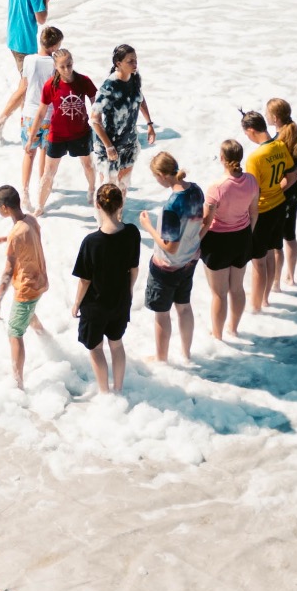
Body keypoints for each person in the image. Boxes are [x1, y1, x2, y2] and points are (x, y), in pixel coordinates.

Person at [72, 182, 140, 397]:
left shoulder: (92, 242)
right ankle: (118, 390)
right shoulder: (132, 233)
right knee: (117, 345)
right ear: (121, 204)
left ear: (97, 205)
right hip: (120, 301)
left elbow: (85, 280)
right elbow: (134, 269)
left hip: (95, 306)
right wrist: (128, 292)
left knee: (96, 348)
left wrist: (76, 304)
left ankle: (104, 392)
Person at [139, 151, 203, 365]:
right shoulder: (195, 190)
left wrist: (148, 227)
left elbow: (170, 247)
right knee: (184, 307)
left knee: (162, 314)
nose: (156, 181)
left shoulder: (172, 207)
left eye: (155, 177)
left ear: (162, 175)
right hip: (190, 259)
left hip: (167, 266)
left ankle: (161, 359)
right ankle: (186, 354)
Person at [0, 184, 49, 389]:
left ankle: (17, 382)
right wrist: (2, 239)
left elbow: (8, 271)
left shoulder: (15, 234)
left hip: (27, 288)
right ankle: (51, 346)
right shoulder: (30, 220)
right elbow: (22, 236)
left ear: (4, 208)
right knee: (29, 315)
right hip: (40, 281)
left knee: (14, 332)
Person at [0, 24, 64, 200]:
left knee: (28, 153)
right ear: (54, 46)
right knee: (44, 152)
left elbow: (24, 86)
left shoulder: (29, 60)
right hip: (48, 115)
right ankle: (42, 186)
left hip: (29, 115)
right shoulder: (55, 64)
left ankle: (24, 190)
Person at [199, 139, 259, 342]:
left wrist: (193, 243)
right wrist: (247, 235)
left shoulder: (216, 188)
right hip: (242, 238)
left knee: (219, 294)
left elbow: (206, 223)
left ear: (222, 158)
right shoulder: (251, 180)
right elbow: (254, 213)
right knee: (237, 288)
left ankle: (217, 336)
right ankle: (233, 328)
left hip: (218, 242)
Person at [241, 111, 296, 310]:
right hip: (279, 205)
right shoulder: (280, 145)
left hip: (262, 211)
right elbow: (291, 176)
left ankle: (255, 307)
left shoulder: (255, 158)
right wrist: (276, 191)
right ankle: (265, 299)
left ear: (251, 130)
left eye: (246, 134)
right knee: (273, 252)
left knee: (258, 262)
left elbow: (252, 193)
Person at [34, 48, 99, 214]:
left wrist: (98, 121)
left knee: (88, 165)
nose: (67, 69)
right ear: (55, 66)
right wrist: (31, 137)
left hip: (81, 133)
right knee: (48, 172)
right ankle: (40, 207)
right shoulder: (50, 85)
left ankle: (92, 189)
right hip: (57, 135)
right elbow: (41, 112)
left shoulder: (84, 81)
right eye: (62, 67)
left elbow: (96, 104)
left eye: (69, 65)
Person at [90, 44, 157, 190]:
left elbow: (140, 98)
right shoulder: (109, 87)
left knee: (122, 186)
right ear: (118, 64)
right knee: (107, 190)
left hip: (129, 144)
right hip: (110, 146)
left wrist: (149, 124)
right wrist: (108, 147)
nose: (135, 64)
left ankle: (119, 214)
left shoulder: (134, 78)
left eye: (136, 60)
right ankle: (101, 214)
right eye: (130, 61)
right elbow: (95, 119)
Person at [265, 99, 297, 286]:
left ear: (275, 117)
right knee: (290, 235)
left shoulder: (276, 142)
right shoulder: (295, 133)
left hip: (281, 193)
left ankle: (276, 283)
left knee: (276, 243)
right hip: (295, 193)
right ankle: (291, 276)